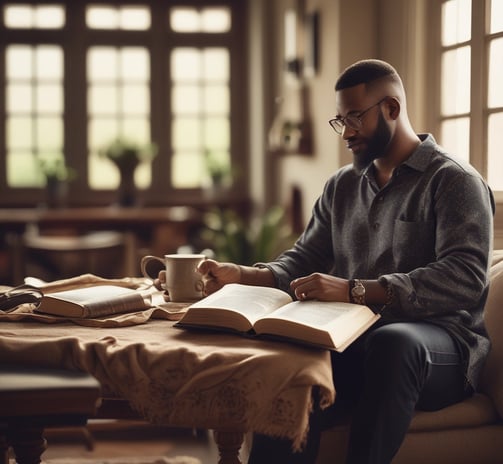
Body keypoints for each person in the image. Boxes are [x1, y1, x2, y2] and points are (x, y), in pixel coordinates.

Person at [157, 59, 495, 463]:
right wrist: (242, 275)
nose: (346, 132)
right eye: (340, 120)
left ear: (392, 108)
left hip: (440, 346)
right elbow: (303, 258)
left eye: (355, 117)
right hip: (354, 338)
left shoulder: (454, 180)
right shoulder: (342, 186)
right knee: (289, 355)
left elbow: (465, 276)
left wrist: (356, 290)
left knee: (394, 342)